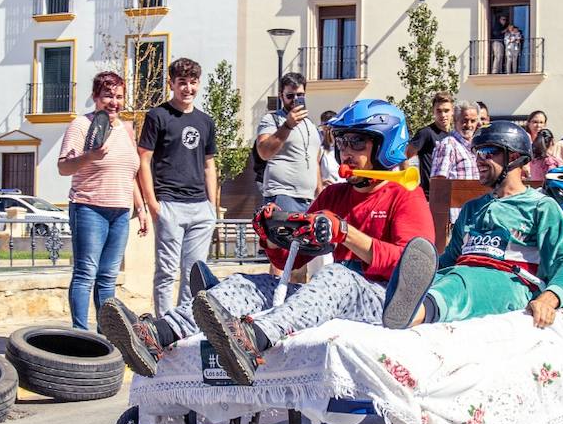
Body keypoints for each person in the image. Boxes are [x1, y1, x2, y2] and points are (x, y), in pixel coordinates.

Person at [98, 100, 434, 385]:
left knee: (337, 277)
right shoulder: (333, 194)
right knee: (251, 284)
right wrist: (273, 233)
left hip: (384, 301)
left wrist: (345, 233)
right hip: (337, 291)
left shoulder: (404, 194)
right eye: (343, 140)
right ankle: (157, 334)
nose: (346, 150)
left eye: (357, 142)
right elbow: (296, 258)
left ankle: (252, 340)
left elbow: (414, 264)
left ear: (385, 145)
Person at [373, 121, 563, 333]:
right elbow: (451, 257)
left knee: (463, 283)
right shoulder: (472, 208)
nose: (478, 160)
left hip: (510, 281)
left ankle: (411, 315)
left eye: (486, 152)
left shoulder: (541, 206)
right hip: (463, 271)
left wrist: (550, 298)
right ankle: (397, 305)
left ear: (513, 157)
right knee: (445, 278)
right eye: (475, 153)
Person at [58, 72, 146, 330]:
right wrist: (90, 156)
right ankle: (80, 333)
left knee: (108, 276)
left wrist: (139, 208)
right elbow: (63, 167)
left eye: (119, 97)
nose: (114, 102)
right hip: (89, 207)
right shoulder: (81, 125)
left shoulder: (127, 129)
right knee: (86, 273)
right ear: (96, 97)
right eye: (108, 95)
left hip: (120, 211)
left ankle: (106, 332)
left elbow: (129, 172)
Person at [137, 57, 218, 317]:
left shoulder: (206, 121)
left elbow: (209, 165)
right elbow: (144, 159)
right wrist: (153, 204)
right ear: (171, 83)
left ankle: (184, 325)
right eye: (182, 82)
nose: (188, 88)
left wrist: (212, 208)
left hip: (199, 209)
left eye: (193, 83)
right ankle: (164, 325)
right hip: (169, 204)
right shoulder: (157, 116)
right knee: (166, 272)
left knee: (193, 273)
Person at [254, 72, 321, 212]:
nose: (295, 99)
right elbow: (264, 152)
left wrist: (320, 194)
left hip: (309, 200)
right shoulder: (272, 119)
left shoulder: (311, 125)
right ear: (281, 96)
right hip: (282, 196)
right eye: (290, 96)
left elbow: (315, 162)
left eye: (300, 95)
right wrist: (287, 125)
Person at [406, 91, 453, 196]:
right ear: (433, 112)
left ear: (452, 111)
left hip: (449, 195)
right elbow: (405, 156)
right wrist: (408, 183)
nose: (443, 115)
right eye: (439, 111)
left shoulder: (454, 136)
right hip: (429, 196)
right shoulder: (426, 133)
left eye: (446, 111)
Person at [430, 100, 481, 181]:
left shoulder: (477, 147)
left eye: (473, 121)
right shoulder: (448, 145)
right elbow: (438, 182)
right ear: (455, 120)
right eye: (464, 121)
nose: (469, 125)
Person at [318, 110, 342, 186]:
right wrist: (320, 182)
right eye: (324, 128)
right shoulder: (320, 150)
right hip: (328, 192)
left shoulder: (345, 148)